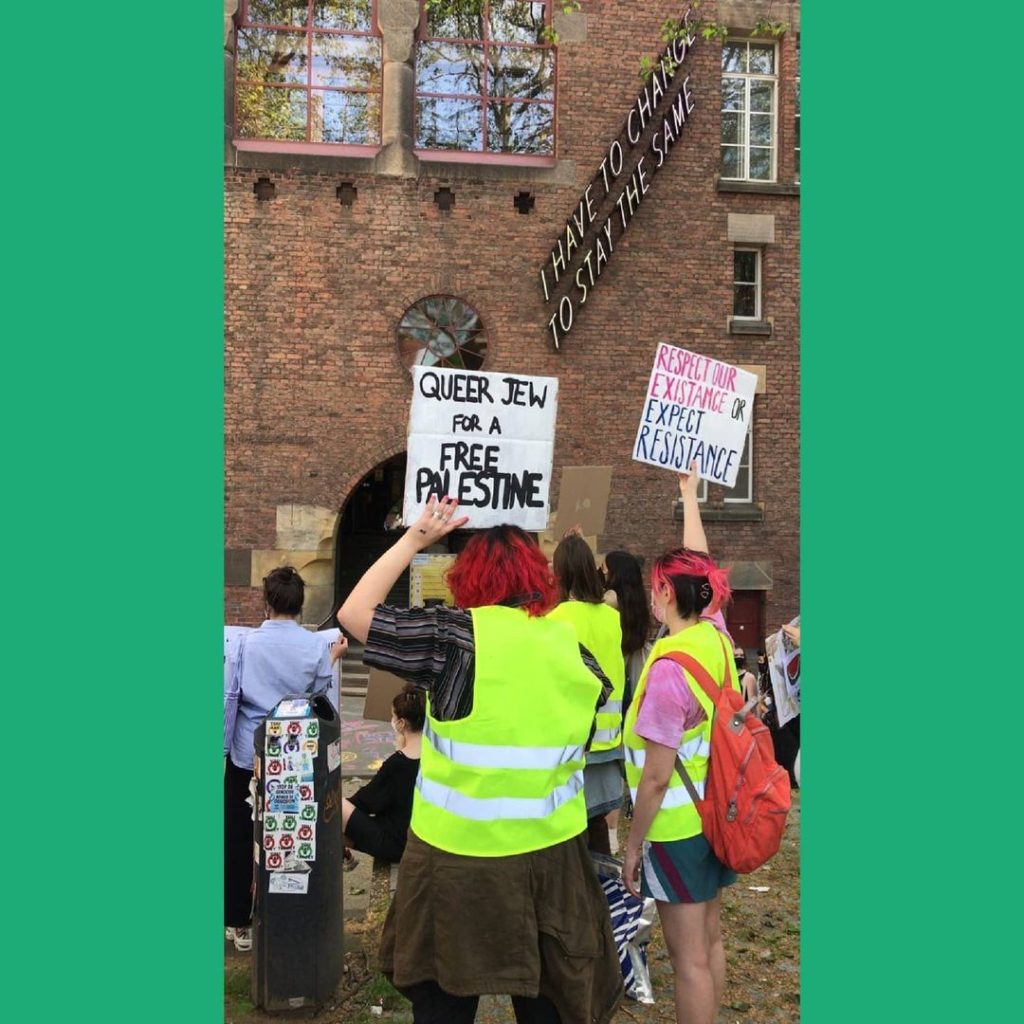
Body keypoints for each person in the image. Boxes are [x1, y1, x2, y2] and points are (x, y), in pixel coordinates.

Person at [338, 495, 623, 1024]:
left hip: (454, 864)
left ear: (467, 579)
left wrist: (414, 539)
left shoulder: (453, 642)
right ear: (538, 578)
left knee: (444, 1004)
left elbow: (354, 615)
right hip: (551, 864)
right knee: (550, 1004)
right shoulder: (575, 651)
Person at [621, 468, 740, 1024]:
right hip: (715, 812)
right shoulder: (714, 636)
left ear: (665, 593)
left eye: (654, 586)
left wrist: (632, 845)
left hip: (675, 829)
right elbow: (701, 561)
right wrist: (688, 496)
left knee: (687, 958)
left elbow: (656, 777)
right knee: (710, 941)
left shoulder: (670, 669)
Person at [223, 566, 346, 953]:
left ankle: (238, 920)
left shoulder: (246, 644)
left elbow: (232, 696)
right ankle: (285, 912)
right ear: (300, 604)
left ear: (266, 601)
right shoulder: (315, 647)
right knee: (289, 833)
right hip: (294, 754)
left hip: (248, 752)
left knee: (240, 834)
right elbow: (320, 697)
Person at [547, 532, 625, 857]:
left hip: (574, 740)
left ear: (560, 574)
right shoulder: (612, 618)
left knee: (569, 832)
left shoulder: (555, 620)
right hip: (610, 738)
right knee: (597, 830)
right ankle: (605, 896)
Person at [342, 683, 424, 865]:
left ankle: (344, 859)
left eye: (393, 716)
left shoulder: (399, 763)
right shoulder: (434, 757)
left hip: (396, 845)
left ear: (401, 723)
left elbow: (365, 802)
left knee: (334, 806)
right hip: (420, 842)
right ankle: (346, 857)